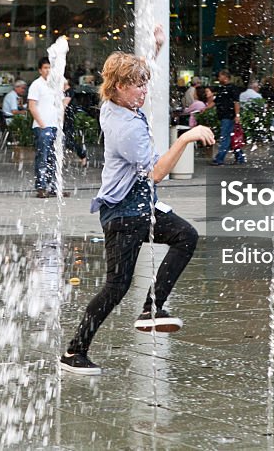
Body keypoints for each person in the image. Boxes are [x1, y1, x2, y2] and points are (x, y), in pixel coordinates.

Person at [59, 26, 215, 375]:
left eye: (145, 84)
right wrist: (186, 138)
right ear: (118, 89)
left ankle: (152, 308)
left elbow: (136, 69)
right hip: (124, 213)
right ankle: (74, 352)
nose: (144, 91)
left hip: (140, 206)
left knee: (185, 236)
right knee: (116, 286)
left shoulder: (114, 101)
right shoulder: (124, 127)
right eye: (138, 86)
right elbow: (156, 173)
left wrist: (155, 49)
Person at [27, 56, 64, 197]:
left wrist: (60, 124)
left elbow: (60, 106)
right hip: (43, 126)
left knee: (54, 157)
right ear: (40, 70)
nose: (48, 70)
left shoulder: (55, 84)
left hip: (55, 125)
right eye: (45, 68)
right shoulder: (36, 85)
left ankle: (54, 186)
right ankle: (41, 187)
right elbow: (32, 106)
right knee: (43, 156)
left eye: (50, 67)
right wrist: (42, 125)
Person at [210, 70, 245, 166]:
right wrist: (205, 108)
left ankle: (219, 158)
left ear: (225, 77)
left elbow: (236, 102)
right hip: (225, 116)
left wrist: (237, 115)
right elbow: (216, 101)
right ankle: (240, 157)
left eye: (220, 76)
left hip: (228, 116)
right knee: (230, 137)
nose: (218, 78)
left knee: (225, 137)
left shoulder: (232, 89)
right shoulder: (222, 89)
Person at [62, 77, 89, 167]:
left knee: (69, 141)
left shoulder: (69, 91)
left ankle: (83, 155)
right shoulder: (62, 91)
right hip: (64, 119)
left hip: (67, 119)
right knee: (66, 141)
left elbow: (64, 106)